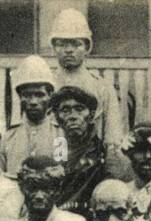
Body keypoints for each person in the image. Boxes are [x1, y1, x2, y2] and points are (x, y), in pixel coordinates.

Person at [48, 7, 128, 174]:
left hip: (93, 167)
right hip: (54, 165)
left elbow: (112, 137)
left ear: (87, 47)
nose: (69, 49)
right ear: (54, 47)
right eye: (62, 43)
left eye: (76, 43)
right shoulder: (47, 85)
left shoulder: (102, 87)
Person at [49, 84, 122, 218]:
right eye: (65, 110)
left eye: (79, 109)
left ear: (91, 115)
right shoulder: (57, 149)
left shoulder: (105, 153)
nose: (72, 116)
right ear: (57, 118)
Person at [1, 55, 62, 177]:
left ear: (49, 96)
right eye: (27, 95)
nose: (33, 101)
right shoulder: (8, 138)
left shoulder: (59, 136)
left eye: (39, 95)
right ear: (20, 97)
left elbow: (62, 172)